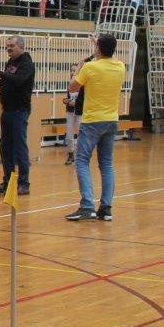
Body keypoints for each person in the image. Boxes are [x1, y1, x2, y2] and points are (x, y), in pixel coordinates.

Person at [65, 34, 126, 222]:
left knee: (82, 161)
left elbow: (72, 88)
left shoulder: (90, 67)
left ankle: (87, 206)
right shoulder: (120, 66)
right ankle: (105, 208)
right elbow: (109, 57)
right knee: (106, 164)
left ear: (98, 48)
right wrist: (98, 45)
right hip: (111, 120)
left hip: (92, 121)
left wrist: (78, 68)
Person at [0, 35, 35, 196]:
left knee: (20, 147)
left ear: (21, 46)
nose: (8, 48)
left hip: (19, 111)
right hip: (7, 110)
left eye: (12, 46)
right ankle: (8, 180)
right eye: (7, 46)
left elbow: (18, 81)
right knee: (6, 147)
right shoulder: (11, 63)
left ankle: (24, 183)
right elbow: (8, 82)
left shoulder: (27, 63)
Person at [62, 68, 83, 166]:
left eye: (74, 70)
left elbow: (84, 99)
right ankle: (70, 154)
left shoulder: (83, 84)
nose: (72, 72)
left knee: (81, 134)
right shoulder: (69, 85)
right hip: (70, 111)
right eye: (71, 70)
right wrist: (66, 101)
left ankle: (80, 156)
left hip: (80, 112)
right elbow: (69, 98)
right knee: (69, 135)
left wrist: (76, 102)